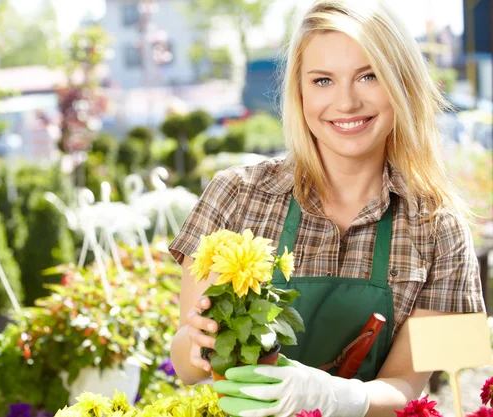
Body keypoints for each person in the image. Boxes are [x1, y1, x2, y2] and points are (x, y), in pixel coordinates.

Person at [167, 0, 486, 416]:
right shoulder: (236, 196)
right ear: (299, 92)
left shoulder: (438, 228)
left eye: (369, 75)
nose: (347, 102)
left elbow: (407, 386)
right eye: (323, 81)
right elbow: (186, 367)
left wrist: (330, 396)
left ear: (402, 83)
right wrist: (198, 345)